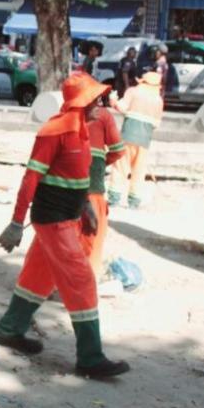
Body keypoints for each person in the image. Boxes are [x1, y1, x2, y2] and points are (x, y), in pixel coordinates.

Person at [0, 72, 130, 380]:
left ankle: (9, 330)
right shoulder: (55, 131)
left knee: (38, 278)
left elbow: (76, 176)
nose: (102, 103)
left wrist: (84, 208)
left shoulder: (82, 129)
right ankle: (90, 358)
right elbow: (31, 179)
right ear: (82, 102)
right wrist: (15, 223)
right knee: (81, 281)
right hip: (54, 220)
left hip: (66, 216)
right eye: (96, 98)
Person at [82, 94, 125, 280]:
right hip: (93, 188)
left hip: (65, 189)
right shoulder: (104, 115)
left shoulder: (65, 114)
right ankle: (88, 277)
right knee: (93, 236)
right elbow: (118, 150)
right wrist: (102, 164)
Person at [107, 72, 164, 209]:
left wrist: (113, 100)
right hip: (144, 141)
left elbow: (121, 107)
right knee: (139, 171)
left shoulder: (133, 92)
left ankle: (114, 199)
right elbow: (156, 124)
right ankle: (134, 202)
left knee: (120, 167)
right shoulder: (158, 100)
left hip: (127, 136)